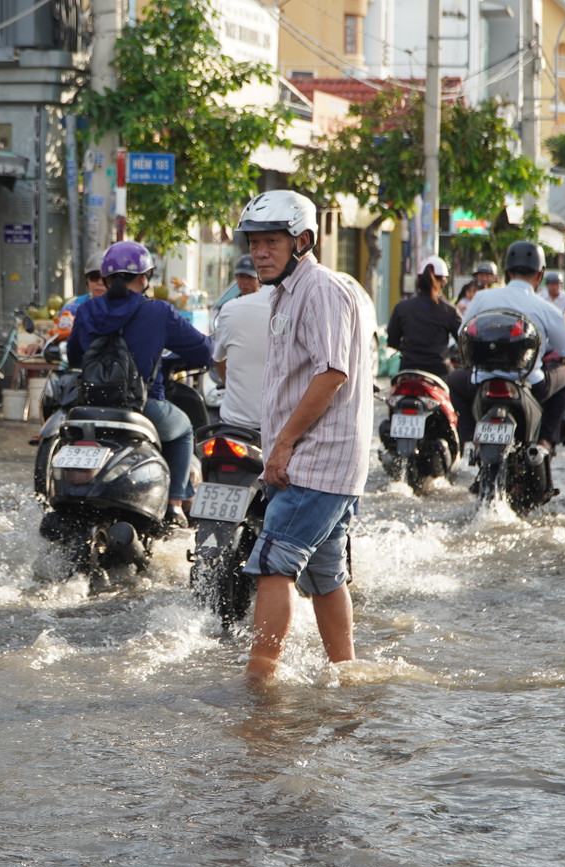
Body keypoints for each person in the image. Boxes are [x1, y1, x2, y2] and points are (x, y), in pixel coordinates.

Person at [233, 190, 373, 679]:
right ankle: (346, 675)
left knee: (273, 563)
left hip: (315, 460)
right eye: (254, 243)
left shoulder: (320, 289)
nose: (259, 253)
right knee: (325, 575)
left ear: (303, 241)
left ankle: (260, 683)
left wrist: (284, 444)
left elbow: (332, 374)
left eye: (271, 242)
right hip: (320, 463)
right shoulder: (286, 293)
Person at [65, 240, 213, 528]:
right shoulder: (158, 311)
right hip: (141, 407)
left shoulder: (87, 310)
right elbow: (204, 352)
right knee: (183, 429)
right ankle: (174, 505)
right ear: (145, 277)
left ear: (106, 279)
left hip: (90, 405)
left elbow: (74, 356)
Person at [448, 241, 565, 465]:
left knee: (453, 380)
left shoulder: (482, 298)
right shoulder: (546, 308)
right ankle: (545, 442)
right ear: (540, 275)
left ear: (508, 272)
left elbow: (462, 335)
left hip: (481, 383)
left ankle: (473, 441)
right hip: (531, 385)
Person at [212, 257, 271, 429]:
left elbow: (218, 358)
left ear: (259, 279)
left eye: (249, 278)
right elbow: (219, 358)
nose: (244, 282)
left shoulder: (230, 308)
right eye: (240, 277)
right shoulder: (228, 307)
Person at [385, 254, 462, 379]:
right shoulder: (449, 310)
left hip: (408, 371)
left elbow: (392, 341)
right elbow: (463, 340)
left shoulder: (402, 308)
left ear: (418, 280)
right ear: (444, 281)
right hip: (439, 372)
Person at [51, 251, 106, 341]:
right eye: (94, 277)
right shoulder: (73, 304)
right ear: (87, 280)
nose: (100, 282)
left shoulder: (121, 307)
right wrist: (41, 343)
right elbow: (55, 332)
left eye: (105, 278)